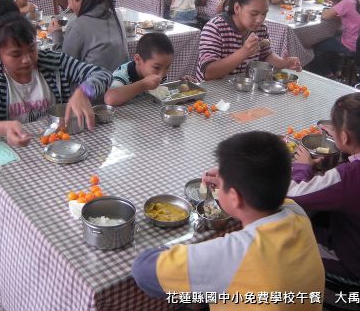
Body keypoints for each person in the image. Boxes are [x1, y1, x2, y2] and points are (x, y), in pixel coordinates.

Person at [133, 131, 325, 307]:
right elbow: (261, 195)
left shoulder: (233, 254)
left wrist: (176, 251)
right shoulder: (297, 213)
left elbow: (143, 270)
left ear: (235, 197)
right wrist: (232, 179)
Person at [288, 91, 360, 280]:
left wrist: (303, 166)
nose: (331, 132)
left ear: (344, 137)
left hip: (351, 261)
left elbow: (293, 195)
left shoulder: (351, 175)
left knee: (276, 235)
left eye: (334, 129)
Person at [0, 13, 113, 146]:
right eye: (16, 54)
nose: (27, 60)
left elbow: (102, 74)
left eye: (32, 49)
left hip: (59, 143)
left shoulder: (54, 62)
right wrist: (5, 128)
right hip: (16, 150)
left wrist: (84, 91)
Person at [196, 0, 302, 81]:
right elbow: (208, 73)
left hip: (243, 87)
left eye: (264, 14)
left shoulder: (260, 29)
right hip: (212, 90)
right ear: (237, 8)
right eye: (254, 14)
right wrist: (244, 52)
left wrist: (283, 63)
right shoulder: (215, 28)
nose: (260, 20)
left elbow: (266, 55)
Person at [49, 0, 128, 72]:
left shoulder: (77, 25)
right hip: (122, 80)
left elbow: (64, 67)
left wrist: (56, 35)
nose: (69, 4)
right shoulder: (117, 15)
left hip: (96, 82)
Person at [312, 0, 360, 78]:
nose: (333, 4)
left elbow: (325, 16)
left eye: (333, 1)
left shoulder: (346, 2)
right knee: (334, 40)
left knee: (317, 46)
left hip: (351, 45)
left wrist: (326, 11)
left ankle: (328, 75)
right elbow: (350, 17)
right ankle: (337, 73)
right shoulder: (359, 1)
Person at [104, 33, 174, 106]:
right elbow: (110, 99)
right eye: (156, 67)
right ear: (138, 60)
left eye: (167, 67)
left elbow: (164, 95)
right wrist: (143, 84)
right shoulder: (123, 74)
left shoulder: (160, 72)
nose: (162, 74)